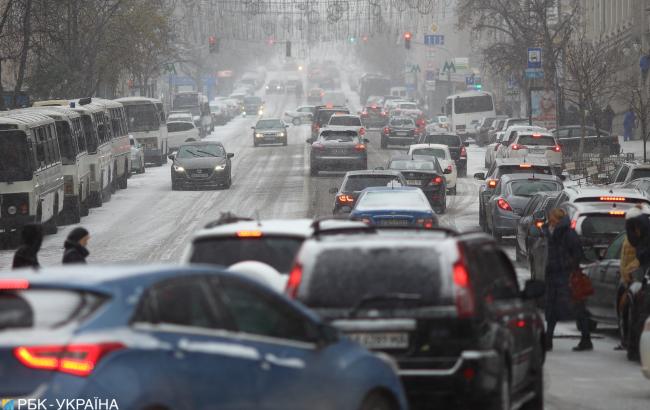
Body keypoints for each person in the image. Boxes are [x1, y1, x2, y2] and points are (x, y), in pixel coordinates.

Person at [543, 208, 585, 351]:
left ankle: (586, 338)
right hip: (553, 276)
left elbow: (577, 254)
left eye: (552, 218)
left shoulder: (568, 234)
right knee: (552, 309)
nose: (550, 221)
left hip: (566, 276)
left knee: (575, 307)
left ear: (558, 220)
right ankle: (548, 339)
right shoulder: (551, 232)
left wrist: (567, 266)